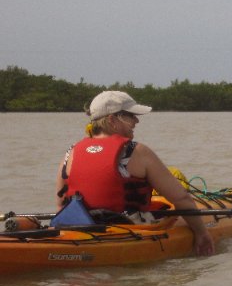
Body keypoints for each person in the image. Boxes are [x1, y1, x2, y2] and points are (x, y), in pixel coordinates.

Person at [55, 90, 215, 256]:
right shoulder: (136, 151)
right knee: (182, 220)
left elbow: (61, 204)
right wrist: (201, 233)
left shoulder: (71, 152)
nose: (137, 121)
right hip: (128, 228)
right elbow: (181, 198)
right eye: (131, 116)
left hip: (78, 227)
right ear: (112, 120)